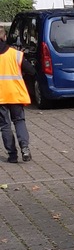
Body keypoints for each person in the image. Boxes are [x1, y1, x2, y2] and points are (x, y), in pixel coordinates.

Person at [0, 30, 34, 163]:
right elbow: (31, 71)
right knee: (19, 121)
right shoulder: (16, 54)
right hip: (15, 94)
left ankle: (12, 155)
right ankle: (25, 148)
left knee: (5, 125)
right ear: (4, 36)